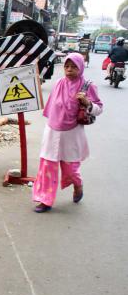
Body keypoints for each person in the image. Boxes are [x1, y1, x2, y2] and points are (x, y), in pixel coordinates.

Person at [32, 53, 103, 213]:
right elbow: (52, 107)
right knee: (47, 167)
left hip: (72, 134)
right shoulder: (59, 83)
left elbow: (99, 109)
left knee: (71, 170)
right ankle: (45, 200)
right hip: (52, 131)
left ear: (81, 68)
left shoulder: (87, 86)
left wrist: (87, 103)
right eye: (66, 66)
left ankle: (78, 185)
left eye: (73, 67)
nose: (69, 70)